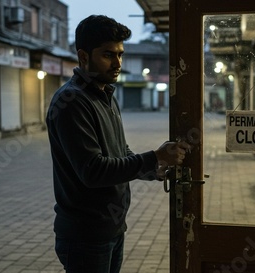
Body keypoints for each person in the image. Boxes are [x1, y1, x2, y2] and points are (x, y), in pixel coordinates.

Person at [46, 15, 190, 273]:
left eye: (120, 54)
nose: (117, 63)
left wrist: (152, 170)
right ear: (83, 57)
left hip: (111, 227)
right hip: (85, 236)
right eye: (108, 55)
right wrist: (155, 157)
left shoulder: (106, 95)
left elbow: (120, 153)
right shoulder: (71, 102)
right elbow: (93, 170)